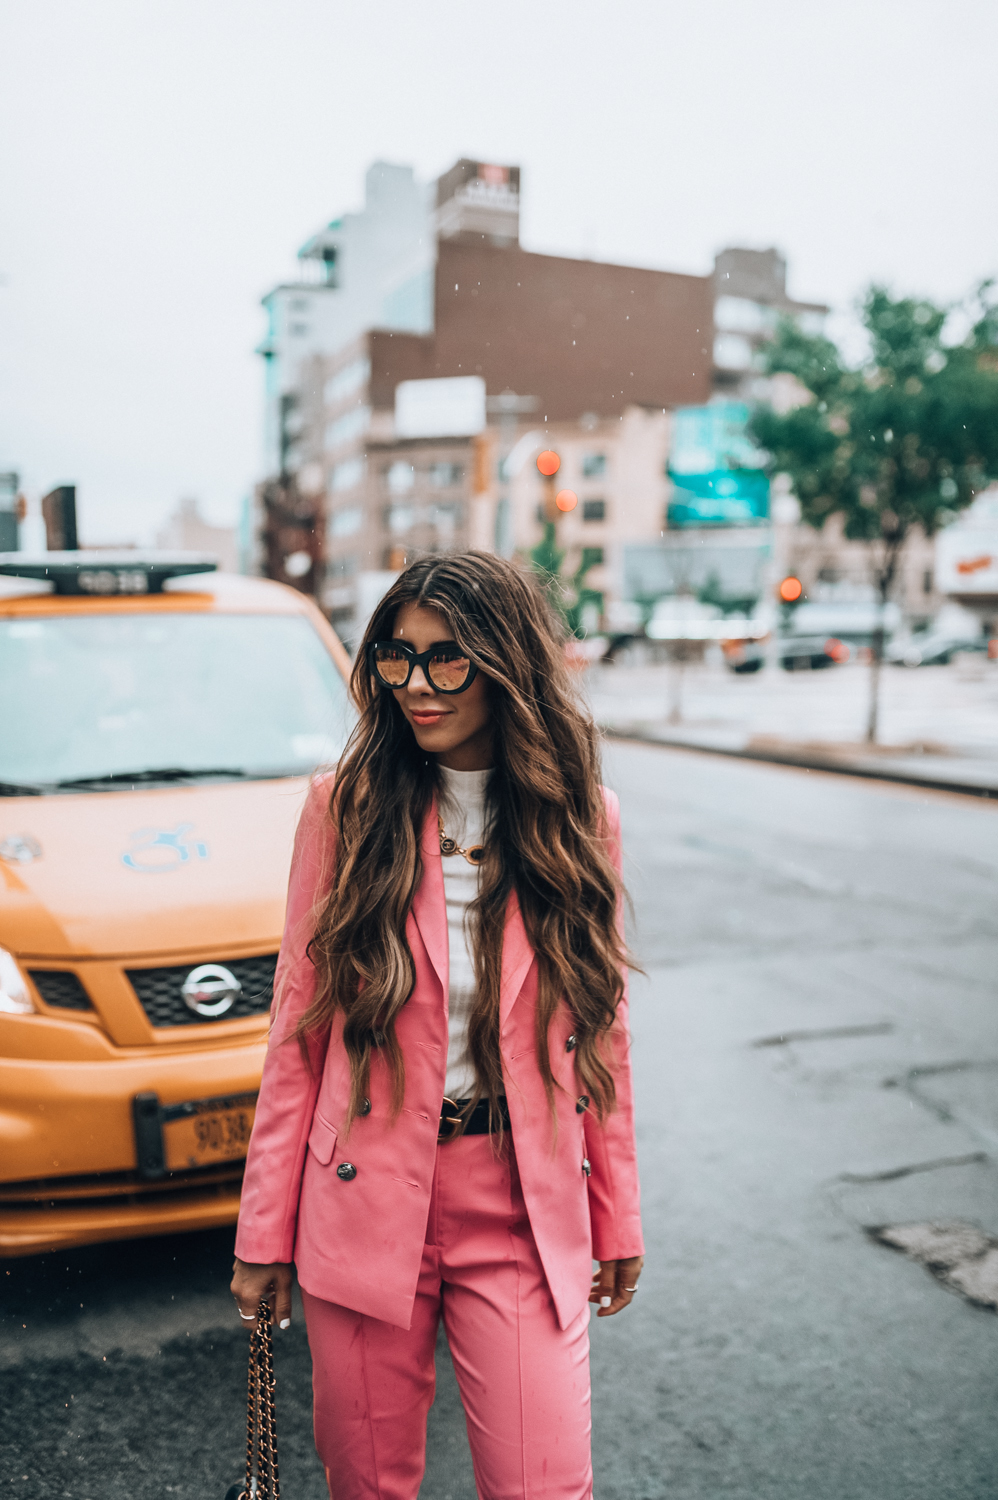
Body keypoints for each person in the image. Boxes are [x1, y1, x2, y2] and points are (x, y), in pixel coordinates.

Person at [230, 551, 644, 1500]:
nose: (417, 685)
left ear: (506, 664)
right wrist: (264, 1233)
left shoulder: (582, 817)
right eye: (396, 656)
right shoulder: (345, 809)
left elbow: (601, 1029)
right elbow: (298, 1036)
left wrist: (615, 1207)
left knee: (545, 1484)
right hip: (362, 1200)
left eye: (448, 658)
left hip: (520, 1202)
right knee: (369, 1485)